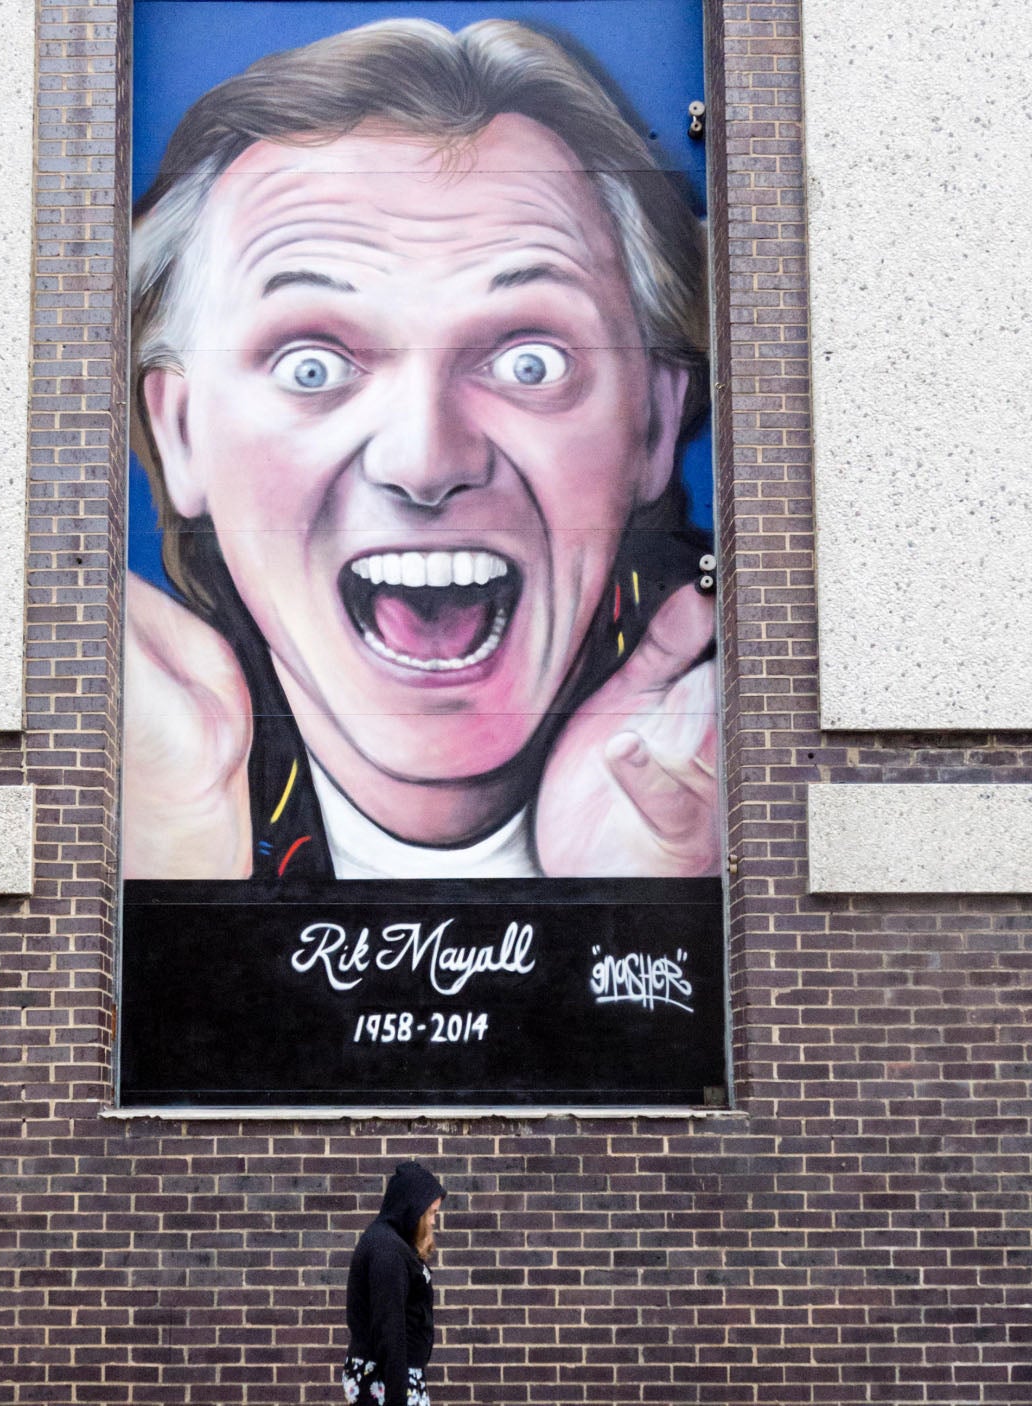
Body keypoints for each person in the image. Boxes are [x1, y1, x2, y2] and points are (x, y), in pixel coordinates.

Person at [124, 18, 720, 882]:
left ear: (658, 424)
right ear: (180, 435)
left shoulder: (757, 721)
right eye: (313, 364)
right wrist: (175, 858)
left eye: (530, 362)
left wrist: (650, 897)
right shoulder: (134, 765)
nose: (424, 459)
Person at [344, 1162, 446, 1406]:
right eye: (431, 1213)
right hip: (385, 1381)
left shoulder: (392, 1244)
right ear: (413, 1209)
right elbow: (390, 1329)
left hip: (394, 1378)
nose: (433, 1222)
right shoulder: (386, 1250)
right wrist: (397, 1397)